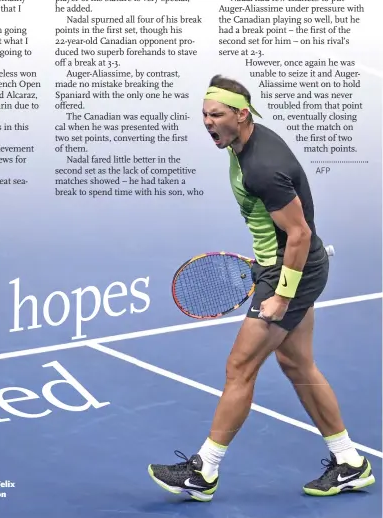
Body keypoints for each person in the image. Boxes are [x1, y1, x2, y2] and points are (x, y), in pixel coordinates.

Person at [147, 75, 375, 501]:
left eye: (216, 115)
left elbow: (300, 234)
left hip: (294, 274)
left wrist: (282, 294)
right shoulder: (241, 145)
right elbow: (280, 229)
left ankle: (204, 471)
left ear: (241, 114)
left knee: (240, 368)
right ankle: (350, 462)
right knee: (298, 366)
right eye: (204, 114)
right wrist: (266, 262)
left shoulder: (261, 167)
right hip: (285, 266)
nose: (207, 122)